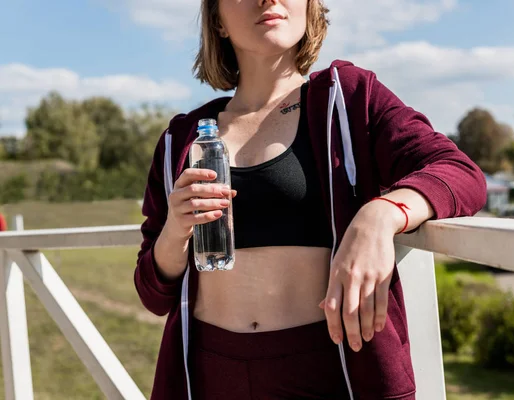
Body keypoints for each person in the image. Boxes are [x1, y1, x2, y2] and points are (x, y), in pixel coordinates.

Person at [134, 0, 487, 399]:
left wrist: (382, 214)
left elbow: (459, 171)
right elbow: (153, 295)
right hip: (210, 373)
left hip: (329, 369)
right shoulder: (180, 140)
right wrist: (175, 232)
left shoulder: (351, 98)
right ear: (217, 20)